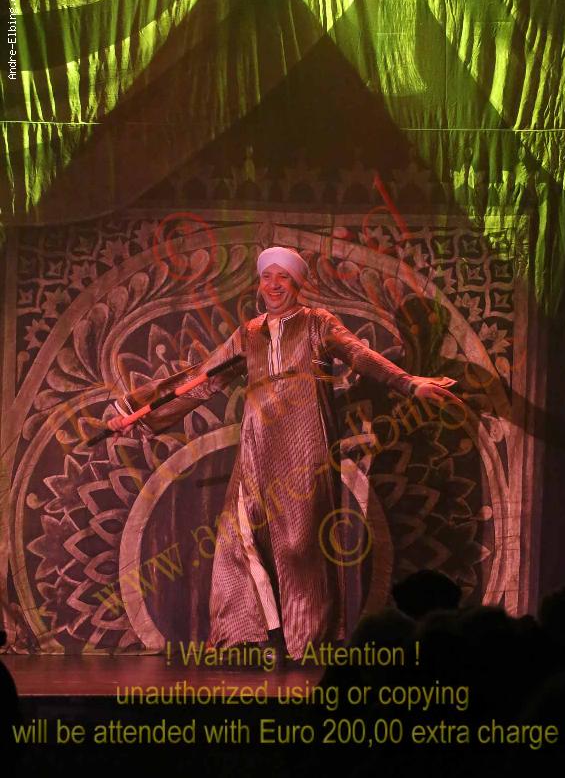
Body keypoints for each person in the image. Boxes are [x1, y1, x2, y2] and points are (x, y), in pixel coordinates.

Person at [107, 246, 458, 660]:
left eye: (283, 277)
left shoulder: (317, 323)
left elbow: (359, 355)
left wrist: (409, 383)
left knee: (299, 544)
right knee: (237, 536)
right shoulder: (249, 334)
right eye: (267, 277)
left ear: (297, 283)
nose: (273, 286)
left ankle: (306, 639)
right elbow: (201, 380)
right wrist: (135, 413)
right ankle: (251, 635)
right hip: (257, 444)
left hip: (305, 442)